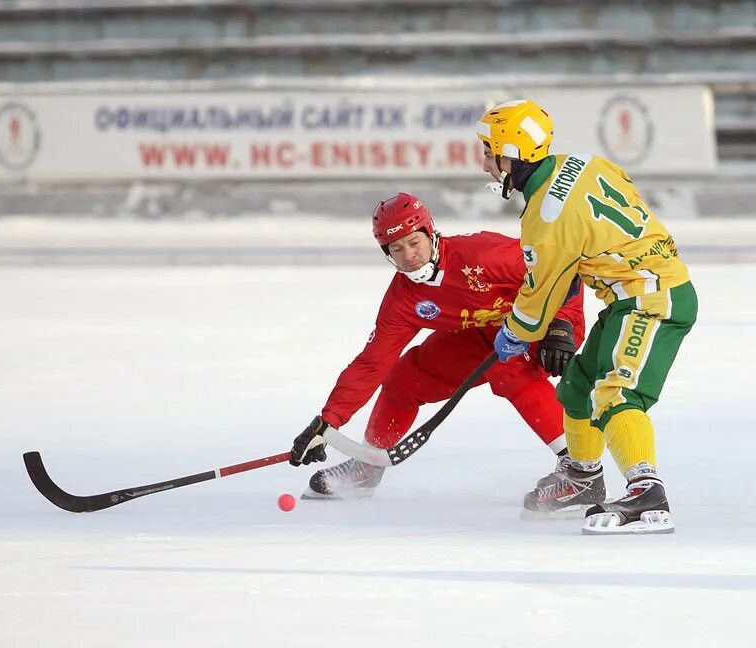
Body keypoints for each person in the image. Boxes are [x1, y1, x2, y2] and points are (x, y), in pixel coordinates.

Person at [475, 99, 697, 534]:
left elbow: (538, 299)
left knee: (615, 393)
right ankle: (582, 477)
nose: (486, 165)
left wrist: (515, 331)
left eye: (489, 152)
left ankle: (646, 488)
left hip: (652, 297)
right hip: (633, 293)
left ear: (512, 153)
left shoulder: (545, 216)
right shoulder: (585, 162)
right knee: (578, 386)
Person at [289, 192, 587, 513]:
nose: (409, 256)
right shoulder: (403, 298)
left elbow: (559, 272)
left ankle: (580, 471)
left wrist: (561, 326)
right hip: (481, 333)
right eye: (396, 249)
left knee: (507, 368)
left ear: (431, 232)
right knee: (406, 376)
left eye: (414, 242)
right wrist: (327, 423)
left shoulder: (483, 255)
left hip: (544, 325)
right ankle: (367, 465)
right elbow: (371, 364)